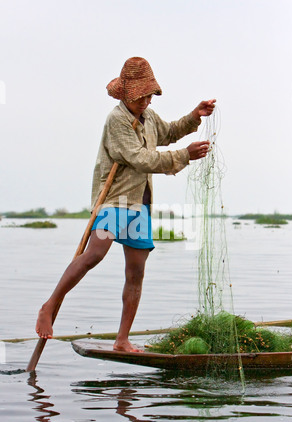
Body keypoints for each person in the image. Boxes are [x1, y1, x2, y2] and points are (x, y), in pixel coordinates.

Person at [35, 57, 216, 352]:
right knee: (94, 254)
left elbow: (168, 132)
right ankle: (48, 305)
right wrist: (184, 155)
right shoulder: (117, 120)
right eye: (139, 96)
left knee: (136, 272)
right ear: (126, 95)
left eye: (148, 95)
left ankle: (122, 340)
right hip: (114, 203)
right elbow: (138, 158)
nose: (145, 101)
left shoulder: (149, 117)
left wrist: (195, 116)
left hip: (139, 205)